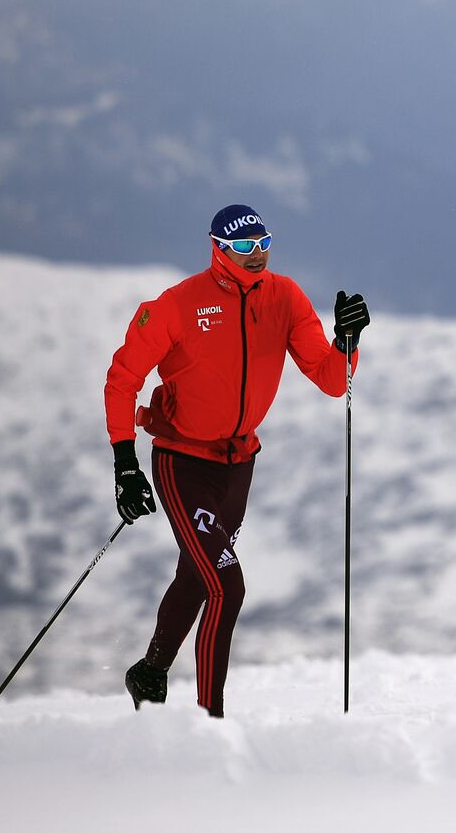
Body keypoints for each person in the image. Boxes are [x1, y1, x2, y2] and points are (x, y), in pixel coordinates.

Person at [104, 204, 370, 717]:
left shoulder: (285, 297)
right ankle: (210, 720)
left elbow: (331, 379)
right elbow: (123, 377)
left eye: (264, 243)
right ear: (218, 250)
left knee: (198, 574)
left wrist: (346, 342)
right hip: (182, 462)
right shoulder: (179, 304)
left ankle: (150, 671)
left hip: (239, 464)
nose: (257, 255)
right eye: (244, 247)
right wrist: (125, 462)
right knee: (226, 585)